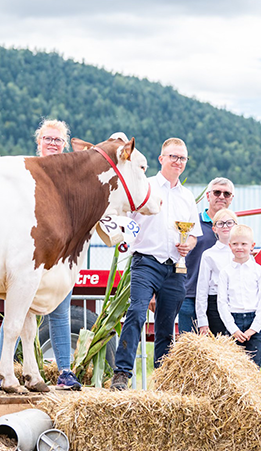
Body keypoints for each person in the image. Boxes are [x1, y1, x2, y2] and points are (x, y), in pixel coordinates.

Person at [0, 119, 81, 390]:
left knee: (60, 311)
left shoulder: (71, 175)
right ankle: (3, 369)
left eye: (57, 140)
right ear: (39, 142)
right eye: (48, 139)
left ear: (65, 144)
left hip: (60, 254)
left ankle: (65, 371)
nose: (53, 143)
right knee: (16, 311)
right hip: (28, 254)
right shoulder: (27, 170)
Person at [111, 138, 201, 390]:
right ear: (161, 159)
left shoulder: (187, 196)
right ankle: (121, 374)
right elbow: (124, 217)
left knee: (165, 327)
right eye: (173, 156)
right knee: (137, 313)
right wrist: (123, 240)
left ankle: (161, 381)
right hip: (146, 262)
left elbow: (192, 234)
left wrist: (189, 244)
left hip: (175, 268)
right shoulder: (145, 185)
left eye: (182, 158)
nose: (178, 162)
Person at [177, 177, 235, 334]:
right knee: (190, 350)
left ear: (231, 198)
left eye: (226, 194)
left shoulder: (235, 231)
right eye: (217, 192)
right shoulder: (191, 224)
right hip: (191, 294)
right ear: (208, 196)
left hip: (222, 300)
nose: (221, 196)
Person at [216, 224, 261, 367]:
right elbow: (222, 302)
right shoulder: (225, 272)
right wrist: (233, 329)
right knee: (233, 370)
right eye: (235, 244)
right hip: (233, 321)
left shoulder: (259, 271)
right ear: (230, 245)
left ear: (252, 246)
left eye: (243, 244)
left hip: (254, 322)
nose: (239, 247)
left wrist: (254, 328)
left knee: (253, 367)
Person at [195, 208, 239, 336]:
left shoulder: (244, 253)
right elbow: (202, 289)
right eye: (220, 223)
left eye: (229, 223)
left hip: (238, 303)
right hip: (216, 304)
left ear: (236, 226)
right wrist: (202, 321)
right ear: (214, 229)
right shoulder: (209, 255)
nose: (225, 226)